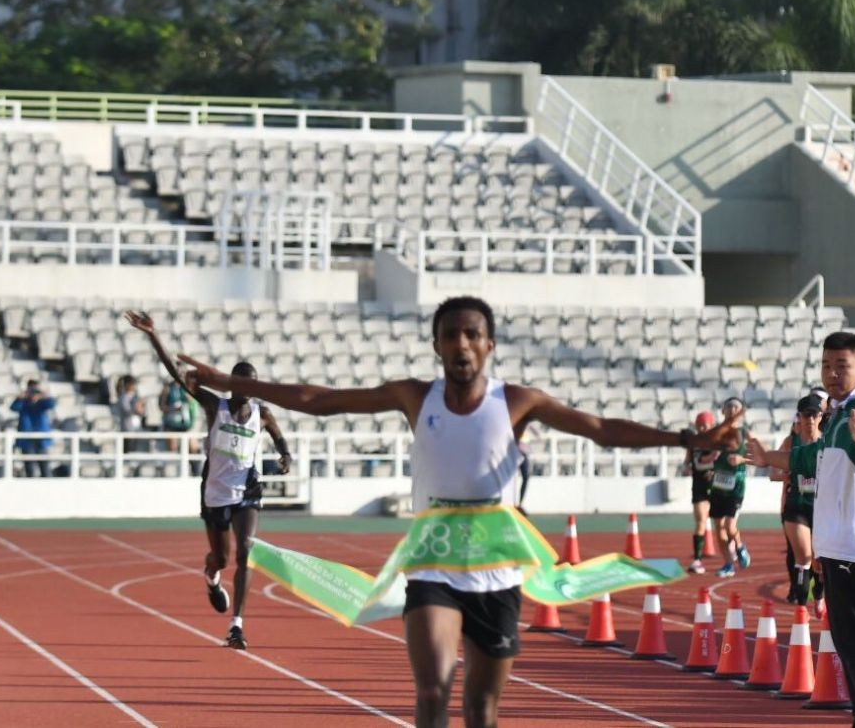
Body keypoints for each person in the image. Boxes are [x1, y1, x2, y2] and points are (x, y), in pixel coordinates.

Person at [173, 295, 737, 728]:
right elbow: (320, 401)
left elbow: (601, 430)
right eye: (450, 336)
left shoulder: (518, 401)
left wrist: (687, 439)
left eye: (473, 334)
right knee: (432, 690)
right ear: (437, 346)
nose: (461, 344)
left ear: (489, 345)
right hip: (433, 556)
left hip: (496, 558)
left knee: (482, 708)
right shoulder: (414, 396)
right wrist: (225, 382)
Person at [749, 331, 855, 728]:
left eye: (842, 366)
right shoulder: (838, 411)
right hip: (837, 545)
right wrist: (769, 456)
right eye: (826, 366)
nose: (833, 374)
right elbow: (817, 455)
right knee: (848, 645)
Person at [125, 311, 291, 650]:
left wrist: (286, 455)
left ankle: (237, 626)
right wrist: (153, 336)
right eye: (241, 384)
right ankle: (211, 577)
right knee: (221, 557)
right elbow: (178, 374)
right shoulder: (216, 406)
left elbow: (279, 438)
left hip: (248, 489)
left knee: (246, 551)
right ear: (232, 385)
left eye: (251, 385)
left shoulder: (263, 414)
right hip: (215, 491)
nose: (247, 390)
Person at [776, 394, 824, 615]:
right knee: (803, 555)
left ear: (820, 417)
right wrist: (786, 473)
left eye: (814, 415)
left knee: (820, 558)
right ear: (800, 417)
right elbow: (773, 472)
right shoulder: (791, 442)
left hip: (822, 508)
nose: (810, 420)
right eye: (806, 415)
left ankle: (820, 595)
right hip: (796, 506)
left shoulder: (827, 442)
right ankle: (801, 608)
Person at [709, 396, 752, 579]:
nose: (732, 410)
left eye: (736, 407)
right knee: (718, 527)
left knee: (729, 526)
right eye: (729, 407)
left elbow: (758, 456)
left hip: (736, 486)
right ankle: (728, 564)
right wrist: (709, 461)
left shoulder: (744, 432)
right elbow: (704, 457)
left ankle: (740, 546)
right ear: (723, 411)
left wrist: (741, 459)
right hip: (718, 486)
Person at [682, 410, 717, 574]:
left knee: (722, 525)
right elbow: (687, 462)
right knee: (701, 520)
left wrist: (715, 468)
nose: (702, 428)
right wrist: (686, 468)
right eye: (699, 425)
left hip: (717, 486)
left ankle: (732, 552)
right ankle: (697, 559)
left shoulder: (717, 441)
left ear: (711, 425)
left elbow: (723, 461)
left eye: (705, 425)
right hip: (699, 486)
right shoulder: (693, 443)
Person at [10, 379, 56, 478]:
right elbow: (14, 407)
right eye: (31, 390)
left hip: (41, 438)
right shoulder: (23, 403)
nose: (33, 393)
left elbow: (51, 404)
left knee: (45, 466)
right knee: (29, 467)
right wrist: (20, 397)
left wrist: (43, 394)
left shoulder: (42, 403)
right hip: (27, 439)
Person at [160, 376, 194, 455]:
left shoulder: (186, 389)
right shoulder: (167, 389)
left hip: (185, 423)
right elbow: (162, 407)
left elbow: (191, 401)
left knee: (193, 448)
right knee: (173, 449)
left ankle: (193, 466)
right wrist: (174, 409)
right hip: (172, 424)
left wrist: (187, 395)